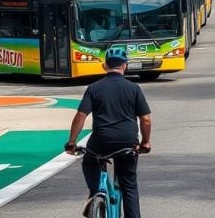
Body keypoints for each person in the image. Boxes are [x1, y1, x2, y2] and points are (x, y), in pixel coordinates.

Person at [65, 46, 152, 218]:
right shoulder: (133, 88)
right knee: (129, 186)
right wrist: (145, 142)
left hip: (100, 143)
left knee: (90, 162)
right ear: (124, 66)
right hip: (127, 144)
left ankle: (95, 194)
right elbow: (146, 119)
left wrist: (72, 142)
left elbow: (80, 116)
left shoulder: (93, 88)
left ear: (105, 66)